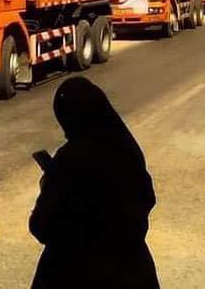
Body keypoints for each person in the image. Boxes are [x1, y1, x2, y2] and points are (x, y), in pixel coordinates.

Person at [29, 77, 159, 289]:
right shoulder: (127, 151)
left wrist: (49, 185)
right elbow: (145, 199)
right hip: (132, 271)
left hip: (75, 272)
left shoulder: (70, 159)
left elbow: (41, 226)